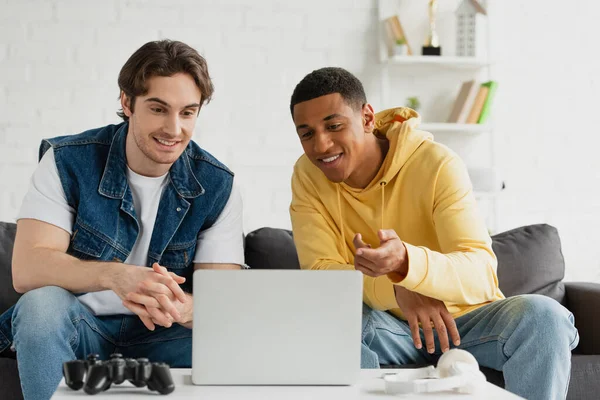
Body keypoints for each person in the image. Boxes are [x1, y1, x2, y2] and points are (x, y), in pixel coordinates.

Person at [288, 67, 579, 400]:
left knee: (544, 317)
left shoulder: (438, 164)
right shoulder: (308, 176)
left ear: (367, 118)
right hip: (388, 330)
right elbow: (322, 276)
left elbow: (480, 273)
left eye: (334, 126)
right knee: (336, 319)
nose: (321, 144)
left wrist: (407, 265)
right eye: (306, 133)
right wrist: (398, 288)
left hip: (467, 326)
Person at [0, 40, 244, 400]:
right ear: (127, 103)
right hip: (81, 327)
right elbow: (27, 268)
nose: (174, 129)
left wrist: (184, 306)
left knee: (235, 338)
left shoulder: (216, 183)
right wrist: (115, 276)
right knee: (40, 306)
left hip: (165, 335)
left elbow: (224, 302)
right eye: (159, 109)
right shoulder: (67, 161)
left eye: (188, 112)